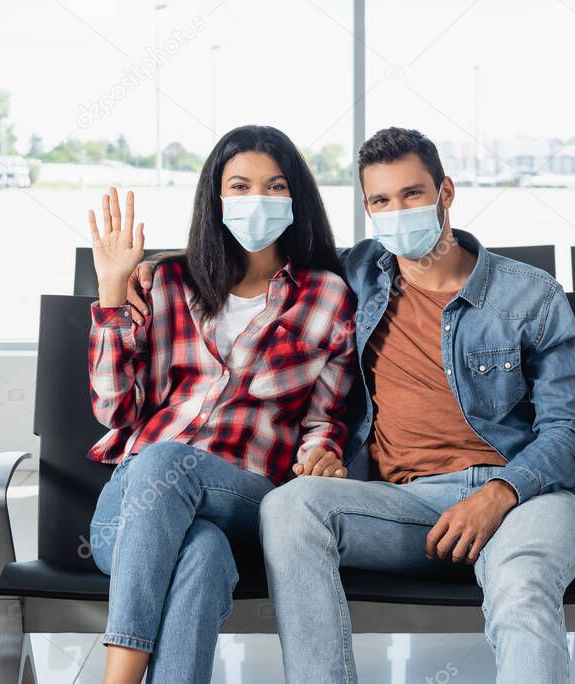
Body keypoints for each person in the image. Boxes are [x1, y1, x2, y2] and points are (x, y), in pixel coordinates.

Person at [129, 127, 575, 683]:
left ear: (445, 192)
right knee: (290, 505)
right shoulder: (358, 275)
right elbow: (261, 258)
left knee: (521, 585)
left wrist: (499, 494)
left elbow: (571, 432)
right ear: (367, 208)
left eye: (412, 194)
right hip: (409, 505)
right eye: (381, 201)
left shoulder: (531, 296)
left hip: (526, 496)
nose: (397, 210)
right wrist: (170, 262)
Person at [86, 124, 356, 684]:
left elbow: (323, 419)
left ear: (296, 198)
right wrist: (111, 293)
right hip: (135, 507)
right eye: (240, 186)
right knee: (202, 556)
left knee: (165, 460)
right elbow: (116, 412)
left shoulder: (326, 295)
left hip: (245, 492)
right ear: (216, 197)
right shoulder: (162, 280)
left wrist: (321, 457)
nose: (258, 199)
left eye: (275, 186)